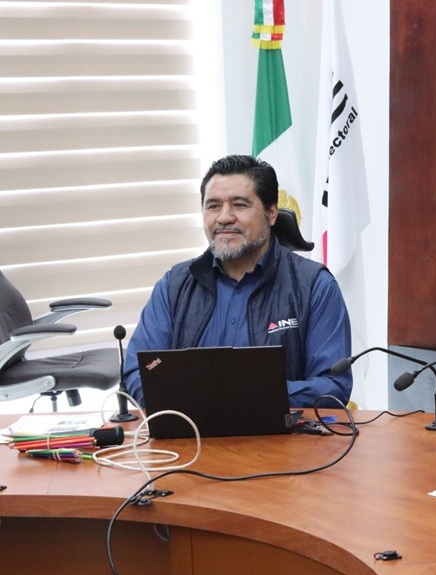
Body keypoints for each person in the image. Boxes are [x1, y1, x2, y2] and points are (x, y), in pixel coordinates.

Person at [123, 155, 352, 408]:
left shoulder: (314, 286)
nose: (224, 217)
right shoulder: (173, 287)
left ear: (271, 213)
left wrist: (241, 395)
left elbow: (333, 386)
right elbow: (137, 373)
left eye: (239, 205)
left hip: (282, 442)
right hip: (190, 439)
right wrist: (213, 397)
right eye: (213, 206)